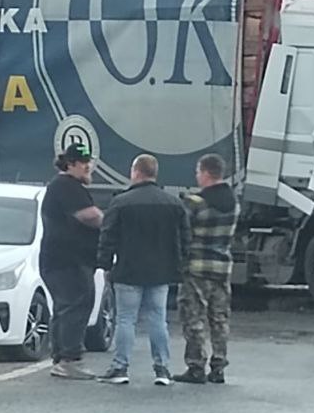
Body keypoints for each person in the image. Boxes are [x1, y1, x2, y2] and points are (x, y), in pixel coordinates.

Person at [95, 153, 190, 386]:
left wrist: (104, 264)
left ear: (135, 172)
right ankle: (162, 369)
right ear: (154, 173)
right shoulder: (174, 203)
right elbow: (185, 239)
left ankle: (120, 367)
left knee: (126, 319)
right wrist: (181, 265)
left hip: (128, 269)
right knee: (158, 319)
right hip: (161, 271)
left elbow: (108, 236)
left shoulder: (121, 202)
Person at [40, 142, 103, 380]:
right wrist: (111, 221)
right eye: (83, 163)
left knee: (65, 307)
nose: (88, 167)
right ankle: (70, 359)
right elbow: (89, 216)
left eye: (89, 162)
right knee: (76, 306)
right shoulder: (66, 185)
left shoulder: (64, 186)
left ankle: (60, 358)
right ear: (70, 164)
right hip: (68, 262)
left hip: (62, 261)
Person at [176, 153, 239, 385]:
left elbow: (183, 232)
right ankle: (219, 366)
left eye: (198, 172)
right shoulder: (233, 203)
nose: (197, 177)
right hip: (222, 267)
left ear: (205, 173)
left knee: (194, 318)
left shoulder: (195, 202)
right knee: (219, 319)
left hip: (197, 268)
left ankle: (196, 366)